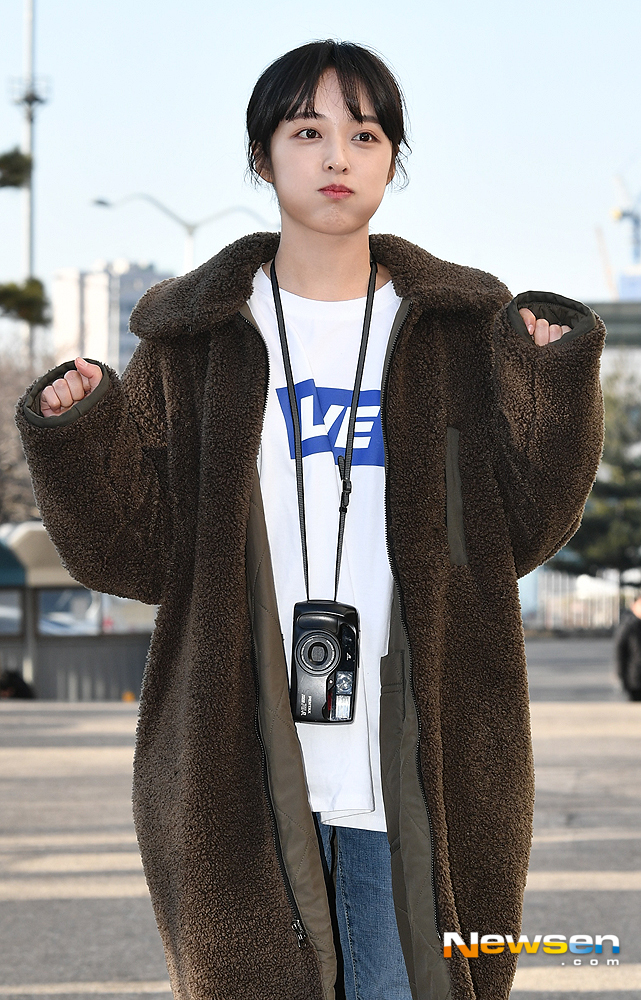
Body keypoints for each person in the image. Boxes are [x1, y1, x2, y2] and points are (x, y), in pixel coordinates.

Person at [16, 40, 605, 1000]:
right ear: (263, 158)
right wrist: (80, 438)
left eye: (363, 135)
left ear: (390, 160)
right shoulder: (196, 339)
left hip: (418, 756)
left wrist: (549, 382)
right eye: (307, 131)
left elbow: (524, 526)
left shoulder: (455, 330)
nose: (337, 156)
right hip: (239, 758)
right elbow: (130, 550)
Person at [614, 596, 641, 701]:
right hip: (635, 679)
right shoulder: (628, 626)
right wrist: (621, 676)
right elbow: (620, 652)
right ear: (633, 606)